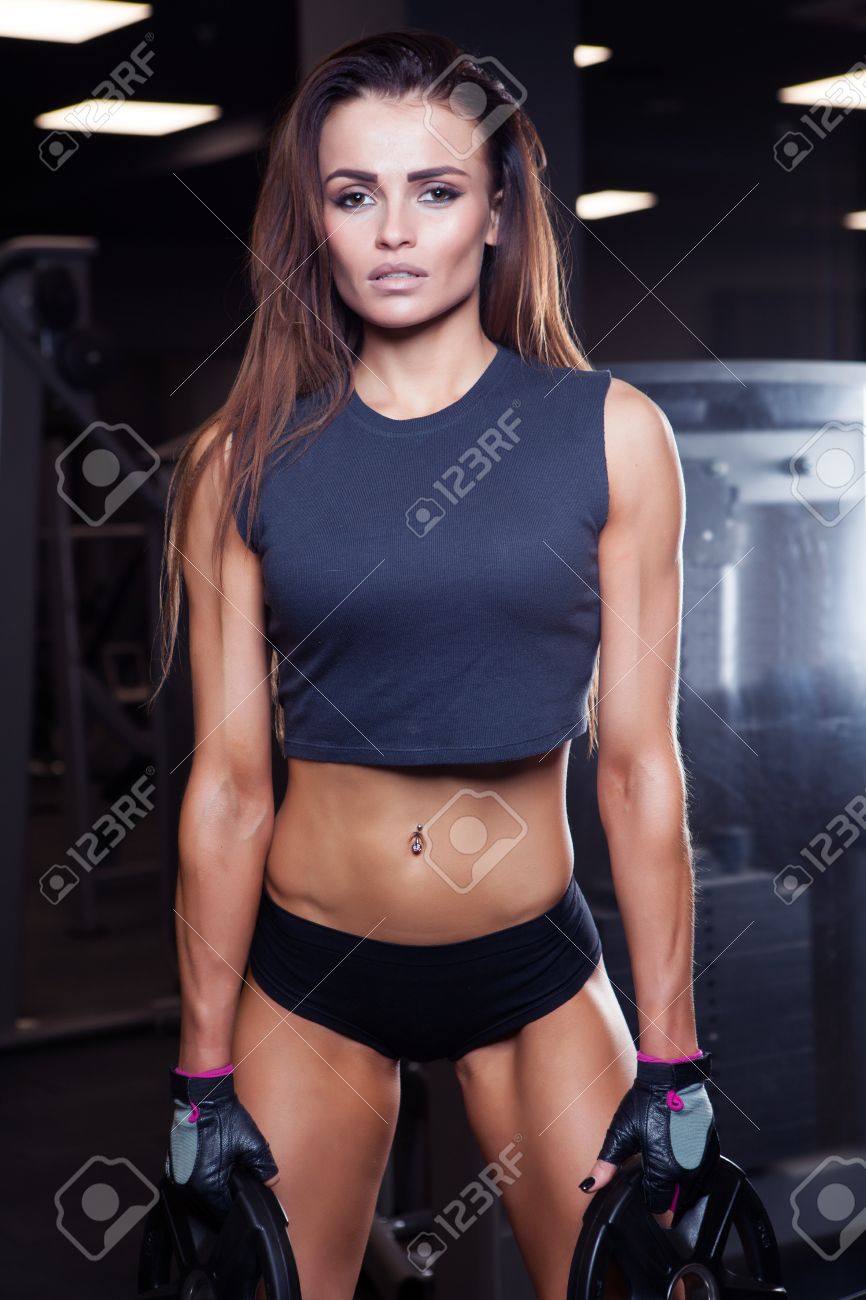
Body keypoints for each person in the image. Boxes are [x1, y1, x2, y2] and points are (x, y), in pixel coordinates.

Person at [149, 29, 720, 1300]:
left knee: (638, 1283)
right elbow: (229, 788)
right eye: (355, 196)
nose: (395, 232)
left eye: (436, 190)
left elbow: (638, 767)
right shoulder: (238, 461)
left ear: (497, 213)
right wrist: (199, 1073)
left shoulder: (612, 437)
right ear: (316, 222)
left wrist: (673, 1058)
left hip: (528, 972)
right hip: (312, 978)